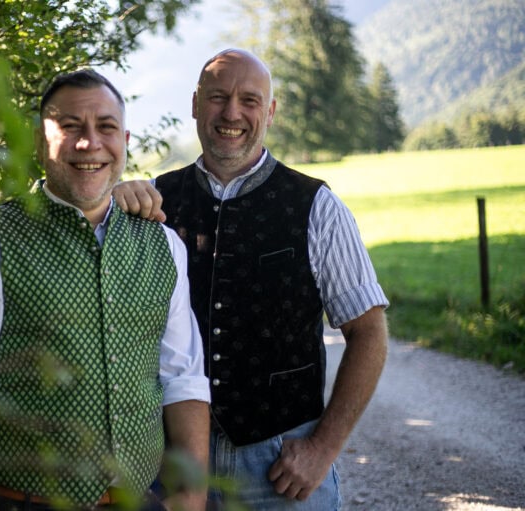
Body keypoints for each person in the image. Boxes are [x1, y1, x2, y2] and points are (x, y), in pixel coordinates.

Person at [0, 69, 211, 511]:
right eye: (70, 126)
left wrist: (190, 497)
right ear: (40, 140)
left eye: (105, 128)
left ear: (125, 139)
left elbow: (183, 379)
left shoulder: (163, 245)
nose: (89, 142)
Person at [113, 49, 389, 510]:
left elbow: (369, 334)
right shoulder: (154, 203)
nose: (232, 113)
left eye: (250, 100)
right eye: (218, 97)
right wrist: (112, 200)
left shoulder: (316, 206)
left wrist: (323, 449)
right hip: (171, 466)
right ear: (196, 104)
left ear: (271, 111)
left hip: (279, 469)